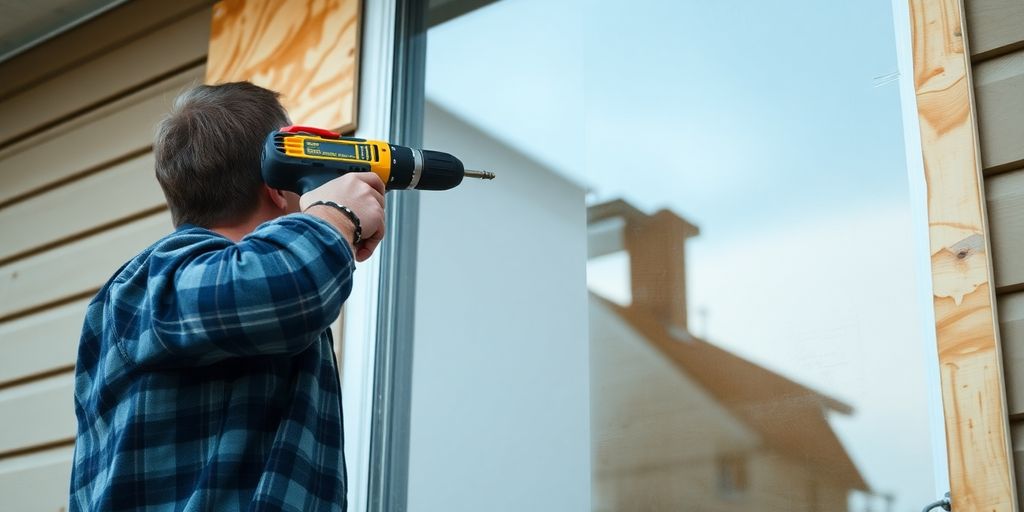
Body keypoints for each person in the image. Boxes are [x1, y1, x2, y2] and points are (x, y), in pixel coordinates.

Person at [69, 82, 384, 511]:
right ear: (277, 184)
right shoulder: (150, 284)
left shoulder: (231, 294)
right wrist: (337, 215)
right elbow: (287, 286)